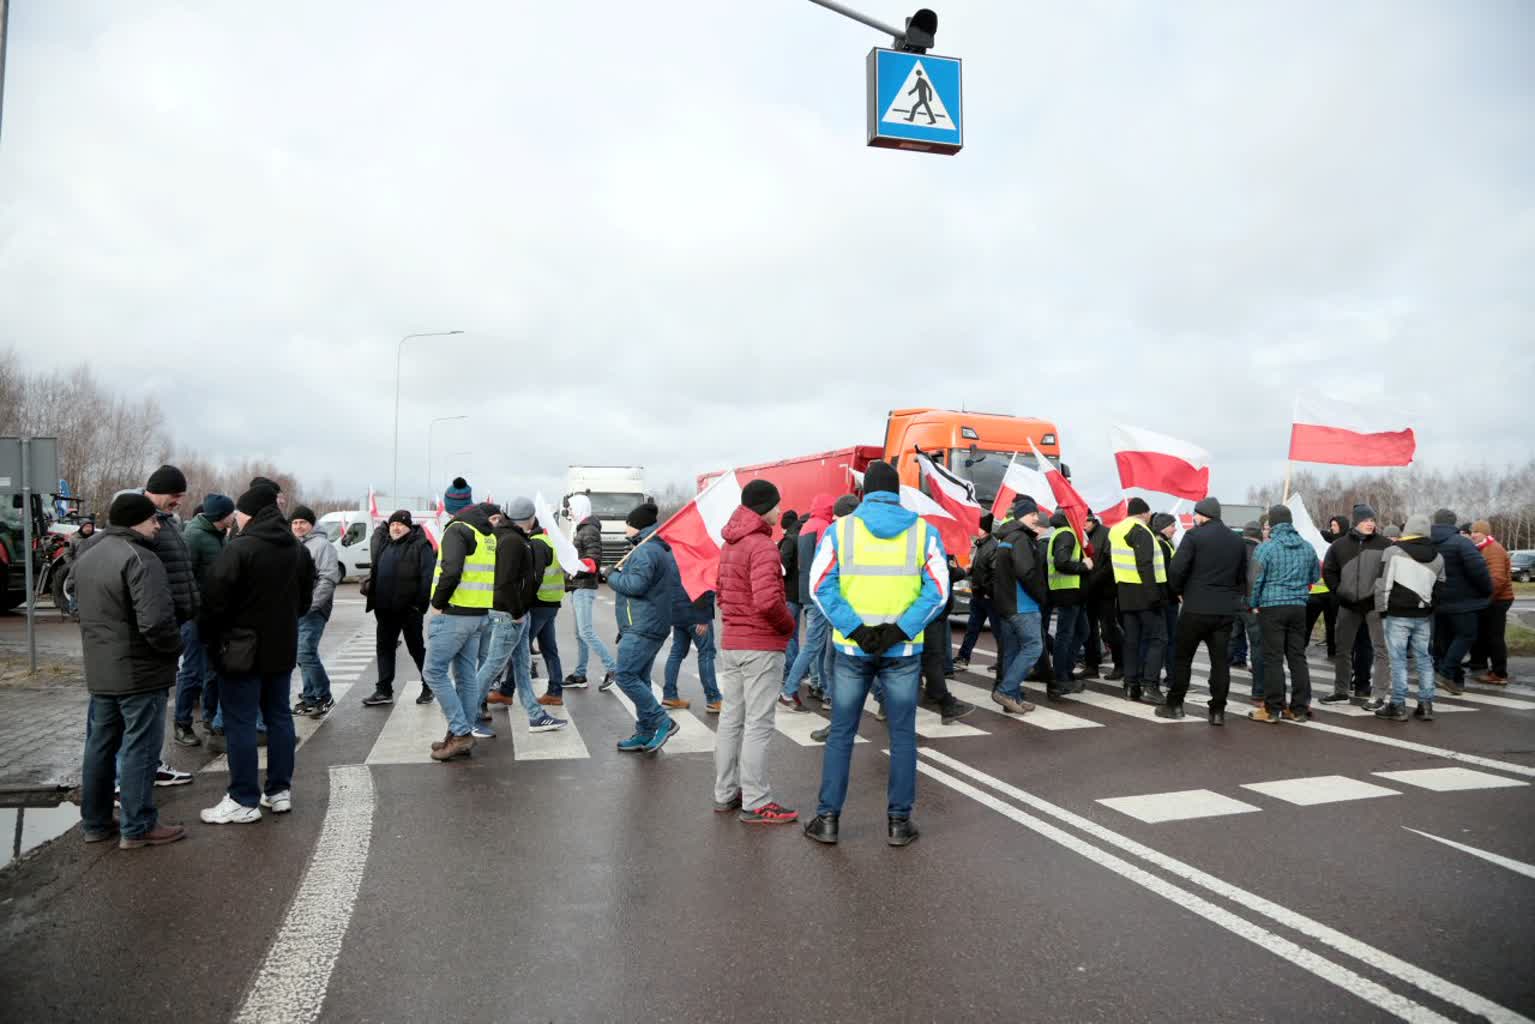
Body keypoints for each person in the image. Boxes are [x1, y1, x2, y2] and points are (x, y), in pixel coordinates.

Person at [804, 461, 947, 848]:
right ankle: (899, 823)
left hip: (852, 649)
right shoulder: (923, 532)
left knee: (841, 734)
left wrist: (857, 629)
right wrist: (900, 629)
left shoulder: (840, 530)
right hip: (902, 649)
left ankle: (828, 819)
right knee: (902, 736)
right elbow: (938, 590)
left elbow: (820, 585)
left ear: (865, 493)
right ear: (898, 493)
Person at [76, 493, 187, 849]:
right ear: (135, 521)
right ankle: (137, 826)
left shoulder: (88, 555)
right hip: (140, 672)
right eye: (153, 520)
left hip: (101, 669)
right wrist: (176, 648)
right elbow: (155, 622)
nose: (158, 526)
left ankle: (95, 822)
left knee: (100, 746)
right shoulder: (142, 557)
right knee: (140, 747)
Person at [199, 485, 315, 824]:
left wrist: (211, 642)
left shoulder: (239, 549)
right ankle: (278, 791)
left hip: (239, 651)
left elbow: (213, 602)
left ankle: (243, 798)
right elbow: (304, 603)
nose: (236, 518)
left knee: (240, 723)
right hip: (280, 648)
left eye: (240, 513)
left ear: (249, 514)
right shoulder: (297, 551)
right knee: (279, 717)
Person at [713, 480, 799, 824]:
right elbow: (767, 601)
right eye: (776, 505)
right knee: (759, 725)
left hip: (732, 641)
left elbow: (720, 592)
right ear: (765, 507)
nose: (780, 511)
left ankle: (725, 792)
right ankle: (756, 800)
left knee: (731, 720)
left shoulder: (730, 543)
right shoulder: (762, 545)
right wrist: (787, 627)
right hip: (760, 645)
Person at [480, 499, 567, 735]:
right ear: (530, 517)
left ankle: (536, 715)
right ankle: (465, 715)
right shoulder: (511, 541)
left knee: (522, 665)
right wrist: (517, 612)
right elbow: (506, 583)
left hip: (518, 613)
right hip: (510, 614)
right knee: (494, 664)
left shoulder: (513, 538)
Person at [421, 500, 498, 761]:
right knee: (466, 677)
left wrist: (437, 603)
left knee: (433, 671)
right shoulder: (486, 534)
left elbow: (451, 570)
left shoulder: (457, 530)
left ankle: (460, 731)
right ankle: (459, 735)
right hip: (478, 615)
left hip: (454, 613)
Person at [607, 502, 684, 752]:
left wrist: (611, 576)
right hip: (649, 623)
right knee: (640, 677)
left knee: (625, 676)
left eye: (627, 525)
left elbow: (636, 586)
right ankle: (645, 731)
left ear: (636, 526)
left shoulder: (645, 551)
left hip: (643, 625)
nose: (625, 529)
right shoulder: (657, 548)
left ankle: (663, 721)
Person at [1162, 498, 1246, 724]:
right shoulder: (1236, 540)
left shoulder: (1193, 537)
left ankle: (1175, 705)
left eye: (1195, 515)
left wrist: (1178, 591)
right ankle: (1218, 711)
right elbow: (1241, 577)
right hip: (1225, 611)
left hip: (1195, 608)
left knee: (1182, 659)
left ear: (1201, 515)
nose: (1194, 519)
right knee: (1220, 663)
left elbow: (1177, 569)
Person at [1248, 504, 1319, 723]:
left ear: (1272, 523)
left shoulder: (1266, 548)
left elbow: (1255, 580)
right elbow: (1315, 576)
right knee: (1297, 657)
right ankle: (1299, 708)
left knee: (1273, 658)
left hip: (1271, 607)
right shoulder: (1307, 547)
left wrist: (1253, 603)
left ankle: (1274, 708)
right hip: (1298, 607)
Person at [173, 494, 233, 746]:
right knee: (192, 671)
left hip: (215, 615)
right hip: (196, 616)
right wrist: (196, 607)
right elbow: (186, 576)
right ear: (222, 515)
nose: (235, 515)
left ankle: (209, 717)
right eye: (232, 512)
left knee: (214, 670)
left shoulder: (220, 536)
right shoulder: (195, 536)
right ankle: (182, 723)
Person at [1320, 504, 1392, 710]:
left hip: (1374, 605)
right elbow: (1329, 571)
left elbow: (1389, 573)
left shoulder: (1385, 544)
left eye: (1372, 520)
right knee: (1342, 649)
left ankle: (1377, 694)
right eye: (1365, 520)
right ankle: (1341, 691)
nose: (1370, 523)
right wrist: (1339, 592)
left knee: (1380, 650)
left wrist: (1379, 596)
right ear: (1356, 522)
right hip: (1347, 604)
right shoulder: (1339, 545)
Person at [1375, 514, 1446, 721]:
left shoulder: (1393, 552)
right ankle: (1426, 704)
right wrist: (1430, 606)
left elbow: (1382, 583)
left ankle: (1397, 704)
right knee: (1424, 658)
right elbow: (1441, 586)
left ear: (1407, 530)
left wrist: (1382, 610)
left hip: (1397, 613)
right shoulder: (1438, 557)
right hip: (1423, 614)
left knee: (1397, 660)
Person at [361, 510, 436, 706]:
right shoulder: (385, 544)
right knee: (384, 648)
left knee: (416, 648)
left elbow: (427, 578)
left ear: (409, 527)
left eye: (400, 524)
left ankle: (429, 685)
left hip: (410, 611)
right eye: (393, 524)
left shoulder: (421, 546)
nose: (396, 527)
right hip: (385, 609)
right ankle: (384, 690)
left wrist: (419, 606)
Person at [989, 495, 1048, 716]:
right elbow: (1027, 572)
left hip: (1006, 604)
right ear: (1023, 515)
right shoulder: (1021, 539)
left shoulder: (1006, 538)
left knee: (1012, 652)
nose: (1036, 519)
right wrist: (1042, 595)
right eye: (1033, 514)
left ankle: (1011, 697)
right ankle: (1005, 691)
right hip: (1023, 604)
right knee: (1033, 647)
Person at [783, 494, 839, 709]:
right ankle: (789, 691)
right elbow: (828, 561)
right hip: (820, 594)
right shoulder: (824, 527)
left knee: (820, 646)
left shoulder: (806, 527)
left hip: (806, 593)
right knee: (816, 646)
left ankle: (827, 693)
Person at [1110, 498, 1168, 704]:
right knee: (1158, 638)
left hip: (1125, 592)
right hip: (1144, 592)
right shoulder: (1141, 531)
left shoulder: (1115, 531)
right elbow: (1145, 564)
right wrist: (1154, 595)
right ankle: (1150, 686)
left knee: (1132, 641)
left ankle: (1131, 685)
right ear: (1144, 513)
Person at [1429, 509, 1493, 696]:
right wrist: (1486, 590)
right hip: (1463, 602)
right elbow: (1479, 571)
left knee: (1446, 642)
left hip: (1439, 601)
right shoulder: (1461, 543)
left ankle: (1455, 680)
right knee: (1466, 635)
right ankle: (1446, 673)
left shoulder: (1429, 543)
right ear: (1453, 522)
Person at [560, 494, 616, 692]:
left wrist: (572, 563)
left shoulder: (589, 531)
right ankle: (580, 674)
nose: (571, 513)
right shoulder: (584, 529)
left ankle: (613, 669)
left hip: (584, 587)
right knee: (580, 634)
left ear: (581, 508)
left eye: (573, 509)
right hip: (578, 586)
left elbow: (593, 562)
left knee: (586, 632)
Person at [289, 505, 342, 717]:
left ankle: (324, 695)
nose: (298, 526)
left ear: (312, 524)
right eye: (294, 522)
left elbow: (328, 578)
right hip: (295, 609)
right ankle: (310, 697)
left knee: (305, 651)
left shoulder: (323, 546)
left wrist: (312, 605)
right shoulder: (292, 544)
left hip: (313, 610)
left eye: (303, 522)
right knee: (302, 655)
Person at [1044, 510, 1093, 699]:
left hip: (1071, 591)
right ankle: (1060, 677)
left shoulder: (1062, 533)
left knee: (1081, 632)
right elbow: (1061, 562)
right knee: (1066, 634)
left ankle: (1065, 671)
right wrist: (1084, 566)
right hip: (1068, 591)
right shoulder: (1067, 534)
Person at [524, 514, 569, 704]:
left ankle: (506, 689)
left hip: (539, 602)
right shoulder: (550, 541)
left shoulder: (536, 544)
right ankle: (555, 691)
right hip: (552, 602)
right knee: (549, 649)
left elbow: (536, 576)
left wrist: (524, 599)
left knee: (518, 647)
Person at [1469, 520, 1514, 684]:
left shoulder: (1493, 549)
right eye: (1472, 531)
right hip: (1493, 599)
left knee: (1495, 637)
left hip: (1498, 600)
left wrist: (1486, 599)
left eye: (1477, 532)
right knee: (1488, 634)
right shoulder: (1484, 548)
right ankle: (1487, 666)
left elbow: (1498, 579)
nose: (1473, 534)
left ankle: (1499, 673)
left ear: (1485, 533)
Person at [663, 589, 722, 711]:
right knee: (706, 654)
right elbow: (705, 588)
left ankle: (669, 696)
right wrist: (704, 617)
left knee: (676, 654)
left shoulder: (675, 568)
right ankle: (713, 699)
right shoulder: (699, 568)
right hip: (697, 614)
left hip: (678, 614)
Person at [956, 514, 1000, 671]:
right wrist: (966, 571)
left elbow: (995, 573)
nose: (975, 530)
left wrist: (989, 591)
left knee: (998, 631)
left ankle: (1002, 661)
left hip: (988, 597)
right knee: (972, 629)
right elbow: (978, 569)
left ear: (985, 530)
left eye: (978, 527)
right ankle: (963, 657)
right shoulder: (981, 544)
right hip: (978, 594)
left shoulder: (993, 546)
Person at [1083, 512, 1122, 681]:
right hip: (1088, 591)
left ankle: (1120, 665)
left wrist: (1094, 579)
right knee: (1089, 630)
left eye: (1085, 521)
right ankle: (1091, 665)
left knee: (1109, 629)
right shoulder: (1081, 535)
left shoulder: (1106, 534)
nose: (1083, 524)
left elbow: (1110, 564)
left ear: (1093, 520)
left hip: (1105, 590)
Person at [1231, 522, 1265, 702]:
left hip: (1232, 600)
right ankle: (1258, 690)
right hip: (1254, 603)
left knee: (1228, 642)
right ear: (1259, 535)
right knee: (1257, 646)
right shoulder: (1263, 550)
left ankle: (1217, 682)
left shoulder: (1232, 548)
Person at [1151, 512, 1181, 690]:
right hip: (1167, 600)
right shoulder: (1162, 546)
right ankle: (1171, 676)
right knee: (1169, 639)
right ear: (1162, 527)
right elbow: (1169, 575)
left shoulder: (1162, 544)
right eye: (1171, 525)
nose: (1174, 528)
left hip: (1164, 598)